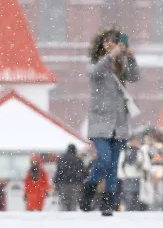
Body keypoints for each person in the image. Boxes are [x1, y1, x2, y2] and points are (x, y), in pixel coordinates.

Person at [84, 27, 140, 216]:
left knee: (114, 165)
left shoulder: (121, 65)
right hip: (100, 121)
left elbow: (135, 76)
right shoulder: (95, 63)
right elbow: (94, 73)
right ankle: (90, 186)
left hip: (119, 123)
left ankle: (109, 202)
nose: (109, 44)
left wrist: (130, 57)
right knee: (104, 158)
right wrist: (111, 55)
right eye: (106, 41)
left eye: (113, 41)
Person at [54, 143, 87, 211]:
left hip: (63, 183)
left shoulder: (62, 159)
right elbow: (83, 172)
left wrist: (56, 182)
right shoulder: (78, 160)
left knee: (64, 201)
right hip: (75, 184)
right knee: (73, 202)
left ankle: (63, 216)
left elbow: (58, 171)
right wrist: (81, 181)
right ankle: (72, 217)